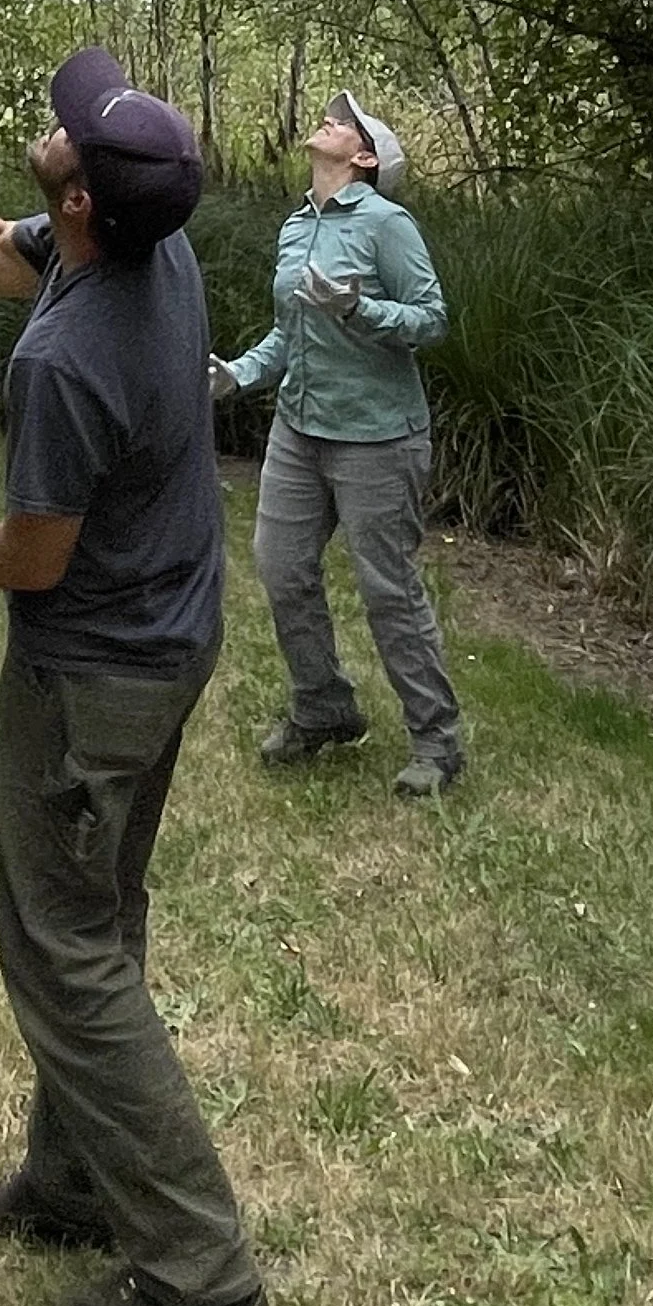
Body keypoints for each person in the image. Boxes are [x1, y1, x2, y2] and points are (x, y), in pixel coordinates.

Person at [0, 48, 268, 1306]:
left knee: (62, 952)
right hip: (166, 643)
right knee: (98, 918)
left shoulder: (68, 360)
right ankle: (73, 1180)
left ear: (81, 199)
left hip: (96, 679)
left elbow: (34, 553)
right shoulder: (150, 249)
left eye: (68, 135)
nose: (55, 126)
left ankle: (199, 1270)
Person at [211, 89, 465, 798]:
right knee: (281, 566)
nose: (330, 120)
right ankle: (324, 708)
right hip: (299, 429)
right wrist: (239, 374)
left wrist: (358, 307)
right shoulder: (297, 225)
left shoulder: (387, 223)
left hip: (377, 437)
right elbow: (288, 333)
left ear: (366, 158)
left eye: (346, 122)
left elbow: (431, 318)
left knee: (388, 589)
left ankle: (437, 743)